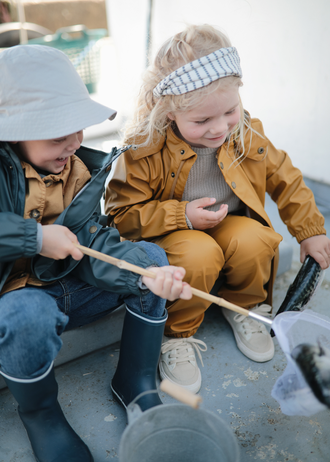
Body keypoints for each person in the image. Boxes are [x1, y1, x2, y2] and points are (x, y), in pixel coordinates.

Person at [105, 24, 330, 395]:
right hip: (175, 235)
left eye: (229, 111)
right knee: (199, 252)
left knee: (257, 238)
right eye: (202, 121)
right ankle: (177, 333)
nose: (219, 128)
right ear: (168, 113)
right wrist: (182, 216)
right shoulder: (144, 149)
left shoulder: (243, 131)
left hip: (230, 223)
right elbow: (122, 214)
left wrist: (310, 230)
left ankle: (245, 306)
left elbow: (285, 177)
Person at [0, 44, 192, 462]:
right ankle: (41, 413)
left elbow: (91, 243)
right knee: (26, 315)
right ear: (14, 130)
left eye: (79, 130)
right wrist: (34, 237)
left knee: (151, 261)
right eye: (56, 135)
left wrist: (140, 275)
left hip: (64, 286)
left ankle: (136, 381)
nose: (72, 143)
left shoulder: (78, 170)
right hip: (13, 306)